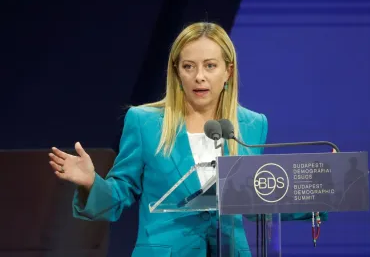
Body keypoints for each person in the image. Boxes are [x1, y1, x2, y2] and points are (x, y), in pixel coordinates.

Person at [48, 22, 326, 257]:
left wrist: (320, 196)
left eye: (210, 66)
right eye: (189, 66)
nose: (199, 77)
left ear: (228, 71)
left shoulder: (251, 125)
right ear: (177, 72)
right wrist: (90, 184)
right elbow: (121, 194)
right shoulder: (145, 122)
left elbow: (255, 199)